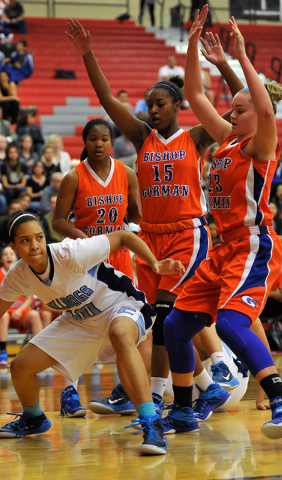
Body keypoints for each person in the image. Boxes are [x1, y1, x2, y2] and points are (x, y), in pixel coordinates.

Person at [65, 18, 244, 419]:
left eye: (159, 103)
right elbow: (109, 98)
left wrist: (216, 60)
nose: (152, 109)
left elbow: (239, 110)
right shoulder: (142, 137)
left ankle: (173, 394)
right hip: (149, 237)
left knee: (165, 315)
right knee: (154, 320)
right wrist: (87, 54)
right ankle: (185, 390)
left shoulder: (195, 136)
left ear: (179, 105)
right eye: (149, 105)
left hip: (186, 235)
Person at [0, 211, 185, 454]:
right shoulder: (18, 275)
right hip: (79, 320)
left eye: (39, 237)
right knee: (20, 367)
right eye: (25, 241)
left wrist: (155, 264)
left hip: (120, 305)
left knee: (120, 334)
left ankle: (152, 424)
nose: (34, 245)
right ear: (14, 246)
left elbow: (123, 236)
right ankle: (34, 418)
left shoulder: (70, 253)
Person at [160, 7, 282, 439]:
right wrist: (192, 42)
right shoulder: (229, 141)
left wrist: (241, 59)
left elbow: (266, 112)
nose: (231, 115)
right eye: (230, 110)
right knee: (174, 326)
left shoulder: (260, 145)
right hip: (222, 246)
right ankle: (181, 409)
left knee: (230, 323)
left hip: (253, 244)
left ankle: (278, 395)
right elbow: (193, 94)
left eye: (239, 109)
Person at [52, 117, 141, 416]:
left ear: (112, 141)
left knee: (126, 327)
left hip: (118, 260)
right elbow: (58, 220)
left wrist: (134, 230)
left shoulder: (127, 173)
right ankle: (69, 392)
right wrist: (83, 239)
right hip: (85, 260)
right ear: (85, 142)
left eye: (104, 138)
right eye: (93, 139)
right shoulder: (74, 177)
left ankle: (126, 391)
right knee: (78, 324)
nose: (99, 143)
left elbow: (137, 215)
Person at [0, 244, 46, 365]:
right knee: (4, 315)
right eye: (5, 254)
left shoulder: (24, 273)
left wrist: (19, 310)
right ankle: (3, 353)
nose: (8, 256)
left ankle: (38, 354)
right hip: (2, 312)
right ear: (1, 259)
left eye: (11, 254)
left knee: (34, 315)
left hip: (19, 311)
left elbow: (29, 299)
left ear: (16, 257)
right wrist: (1, 308)